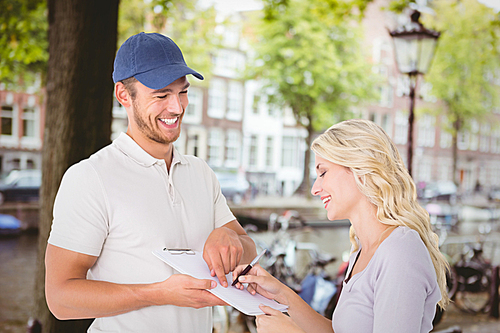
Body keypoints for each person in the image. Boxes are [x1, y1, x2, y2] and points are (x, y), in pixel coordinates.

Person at [45, 32, 257, 333]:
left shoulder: (200, 172)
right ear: (123, 95)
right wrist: (156, 294)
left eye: (182, 92)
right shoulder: (90, 178)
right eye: (161, 95)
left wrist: (231, 240)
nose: (177, 108)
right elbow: (60, 298)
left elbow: (248, 247)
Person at [233, 119, 450, 333]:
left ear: (360, 169)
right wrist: (281, 293)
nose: (315, 189)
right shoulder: (361, 251)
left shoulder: (400, 252)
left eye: (323, 172)